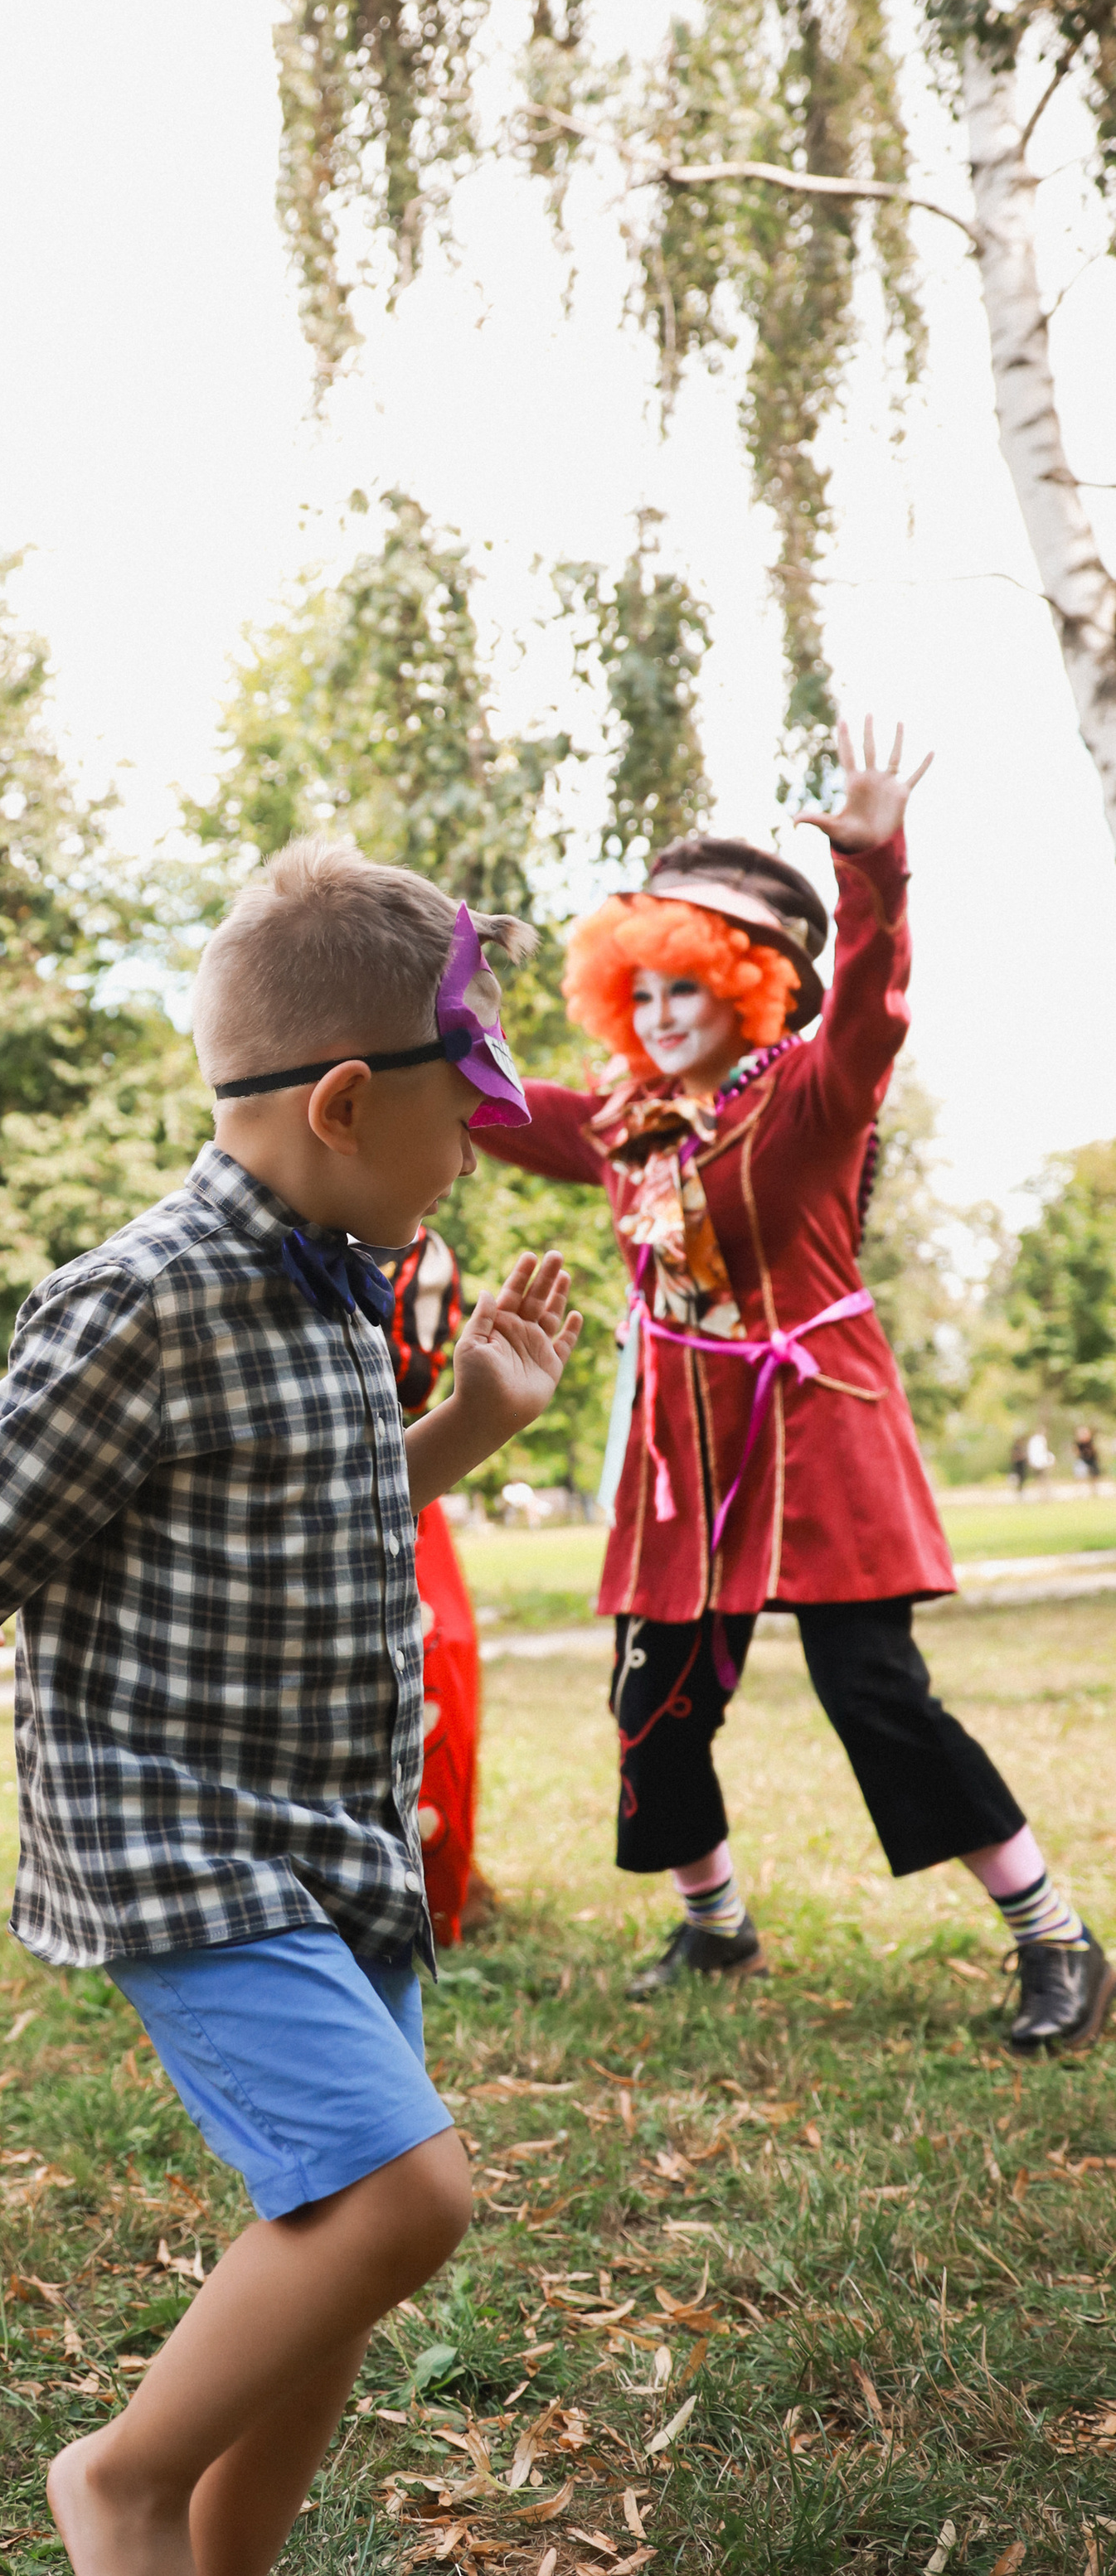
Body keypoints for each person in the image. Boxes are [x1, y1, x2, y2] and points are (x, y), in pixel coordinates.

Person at [0, 840, 582, 2576]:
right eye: (460, 1124)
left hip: (330, 1846)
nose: (471, 1163)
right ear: (347, 1102)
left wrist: (468, 1422)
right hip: (180, 1837)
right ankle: (117, 2480)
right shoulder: (139, 1295)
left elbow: (315, 1514)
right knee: (396, 2193)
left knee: (331, 2253)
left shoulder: (333, 1281)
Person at [472, 720, 1109, 2056]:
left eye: (685, 993)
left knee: (874, 1693)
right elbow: (493, 1105)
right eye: (638, 994)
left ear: (751, 989)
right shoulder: (627, 1127)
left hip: (818, 1435)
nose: (657, 1018)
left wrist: (878, 865)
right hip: (679, 1464)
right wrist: (431, 999)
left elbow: (875, 1001)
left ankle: (1055, 1936)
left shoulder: (815, 1096)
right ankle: (716, 1925)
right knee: (653, 1700)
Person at [383, 1227, 494, 1944]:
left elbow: (412, 1380)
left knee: (435, 1659)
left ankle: (431, 1884)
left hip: (394, 1465)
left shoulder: (416, 1248)